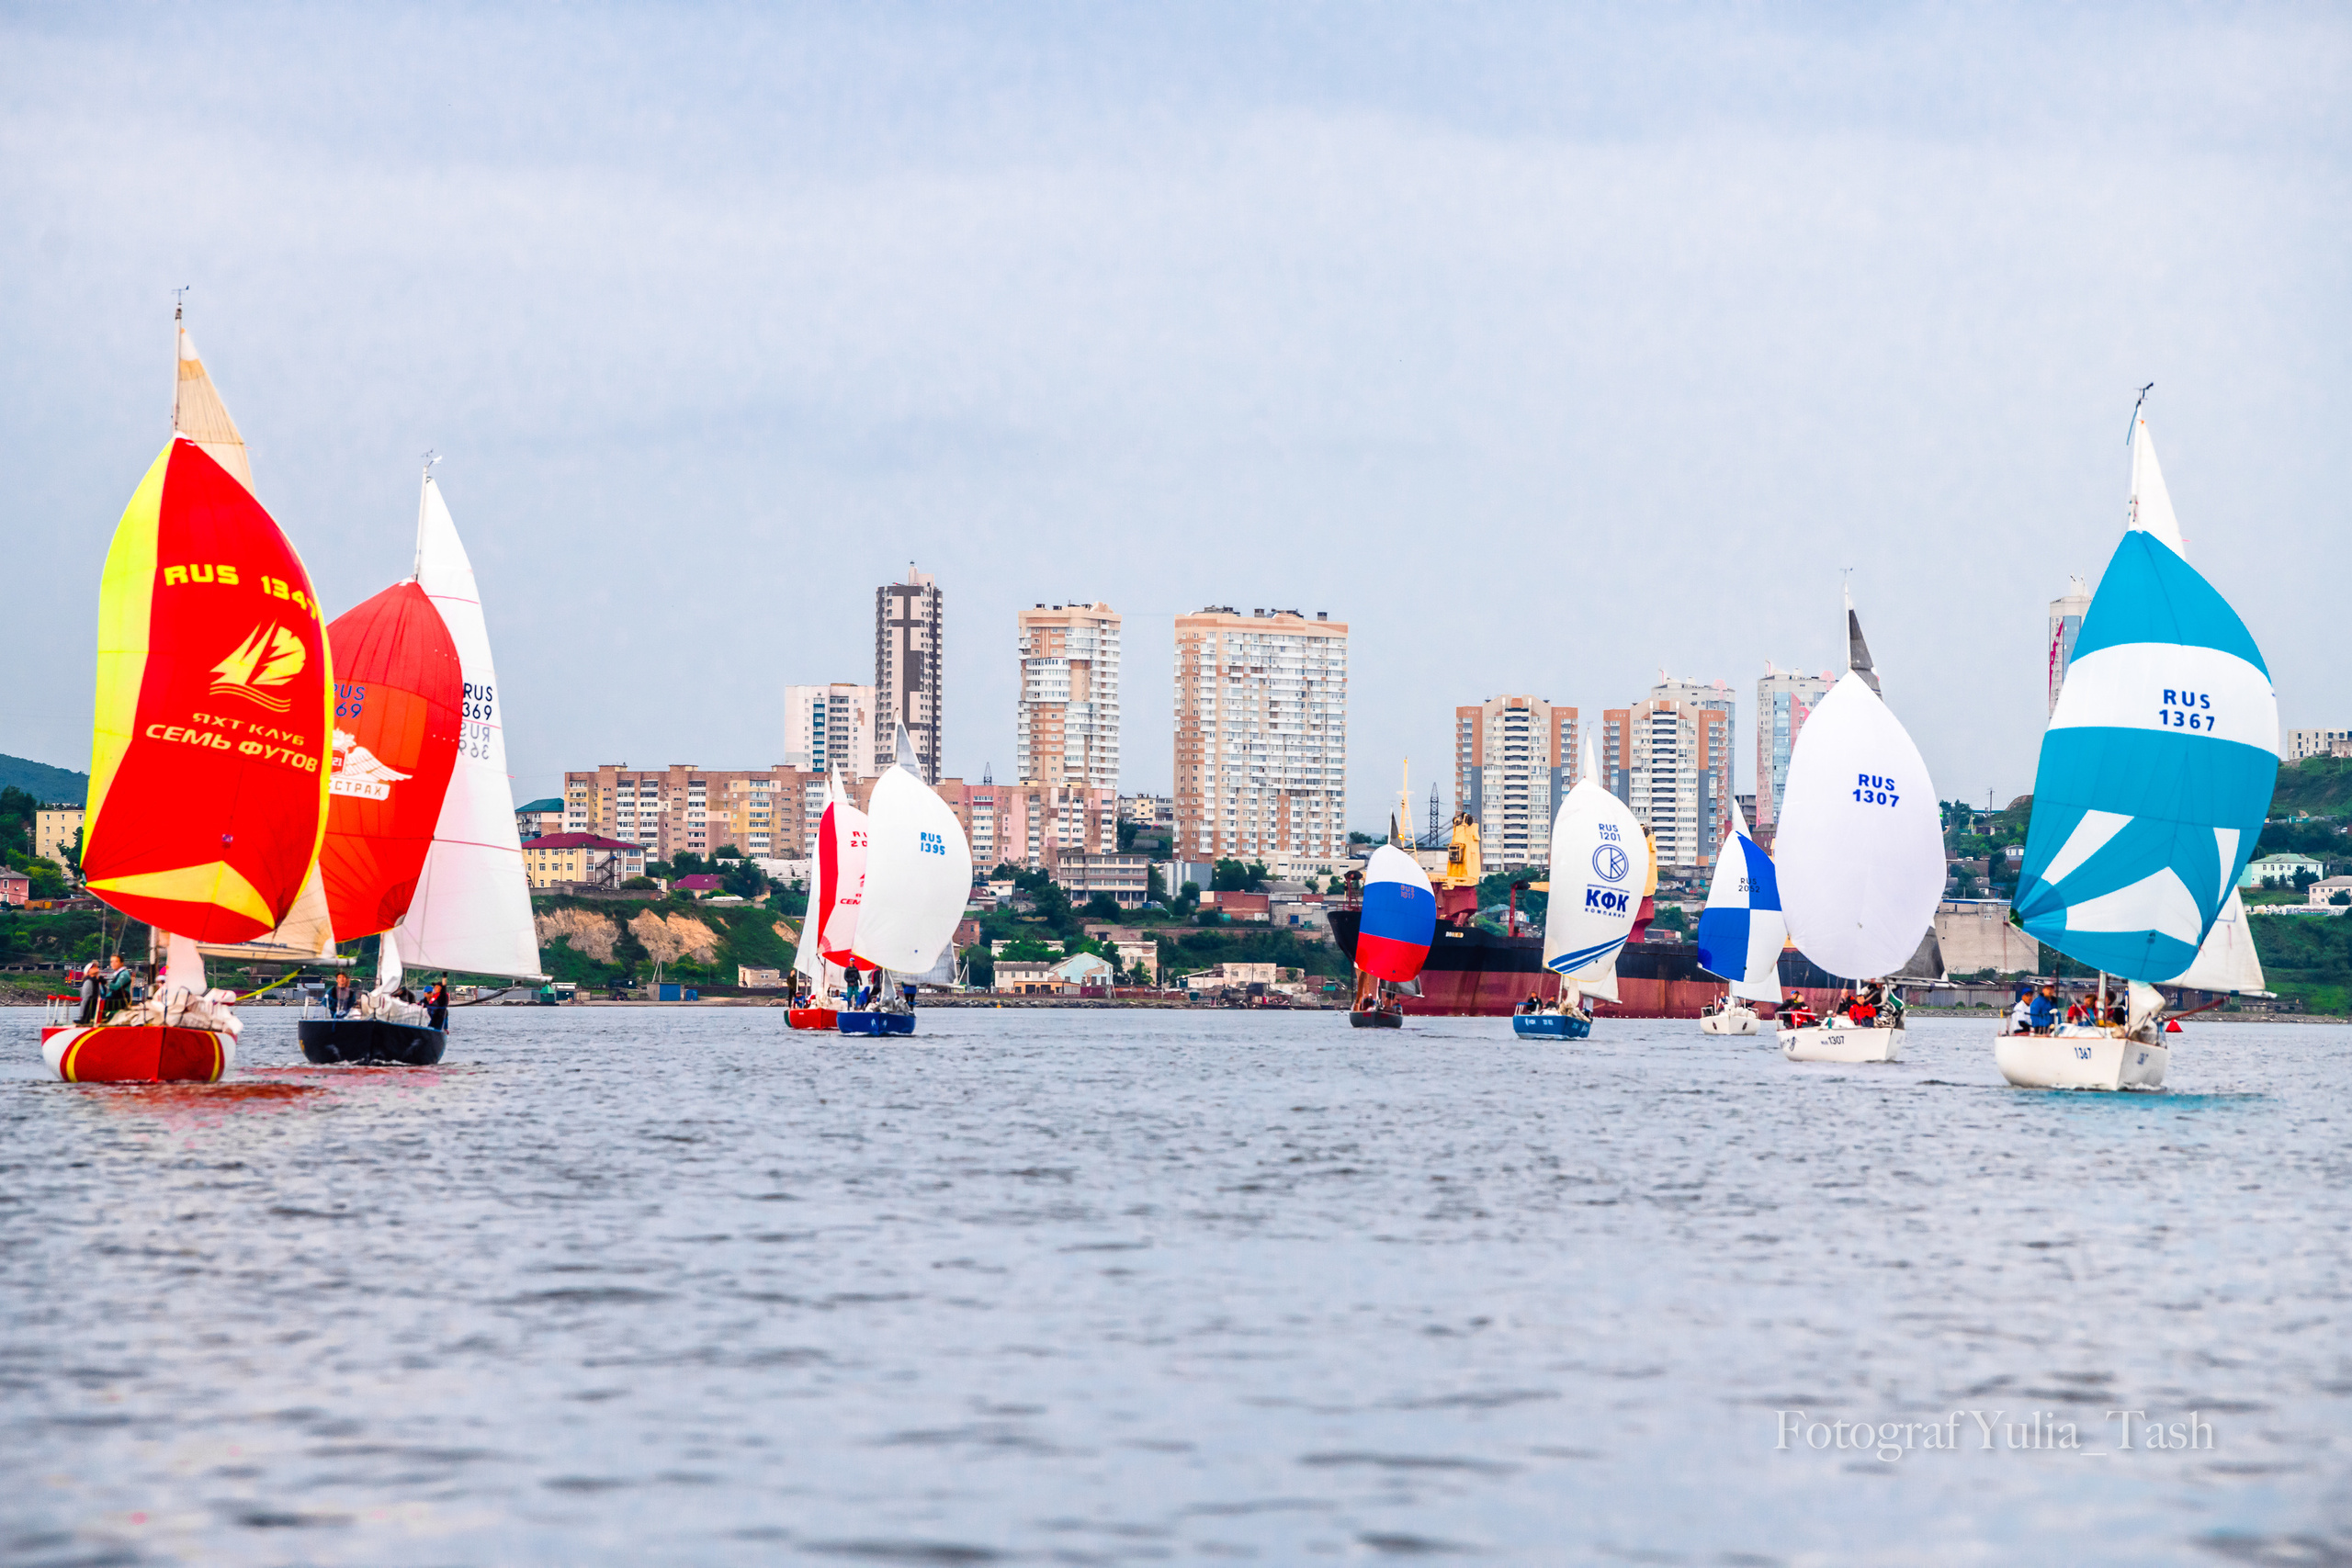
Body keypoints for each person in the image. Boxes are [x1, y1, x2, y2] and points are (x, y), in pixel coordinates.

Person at [98, 954, 134, 1020]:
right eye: (112, 962)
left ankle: (102, 1019)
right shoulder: (118, 974)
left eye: (116, 961)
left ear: (122, 963)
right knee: (100, 1002)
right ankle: (104, 1018)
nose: (113, 964)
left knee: (100, 1004)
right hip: (116, 998)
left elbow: (116, 987)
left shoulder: (124, 974)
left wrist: (105, 982)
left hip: (122, 1000)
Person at [74, 960, 103, 1025]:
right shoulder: (88, 982)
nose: (96, 969)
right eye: (93, 968)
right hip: (88, 1012)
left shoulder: (97, 981)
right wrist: (82, 1016)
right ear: (88, 971)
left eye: (96, 967)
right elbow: (85, 999)